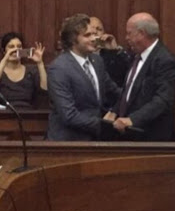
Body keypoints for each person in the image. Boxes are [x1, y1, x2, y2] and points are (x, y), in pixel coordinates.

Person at [46, 13, 120, 141]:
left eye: (94, 34)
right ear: (72, 40)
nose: (94, 38)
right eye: (87, 35)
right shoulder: (59, 68)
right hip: (69, 142)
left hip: (95, 139)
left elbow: (114, 91)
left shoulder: (97, 62)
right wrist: (104, 125)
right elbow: (68, 115)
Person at [111, 12, 175, 141]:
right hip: (130, 136)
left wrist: (132, 120)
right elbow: (129, 91)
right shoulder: (136, 56)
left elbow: (163, 100)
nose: (126, 38)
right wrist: (114, 111)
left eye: (129, 33)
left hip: (152, 138)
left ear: (141, 33)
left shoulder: (164, 60)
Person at [0, 32, 47, 108]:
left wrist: (40, 63)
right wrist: (5, 59)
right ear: (4, 50)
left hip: (27, 114)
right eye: (11, 47)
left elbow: (45, 89)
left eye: (19, 46)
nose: (16, 49)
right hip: (4, 115)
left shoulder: (31, 71)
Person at [89, 16, 133, 87]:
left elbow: (130, 74)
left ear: (104, 33)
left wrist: (115, 50)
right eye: (91, 29)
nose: (95, 32)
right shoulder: (79, 55)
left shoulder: (113, 53)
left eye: (99, 29)